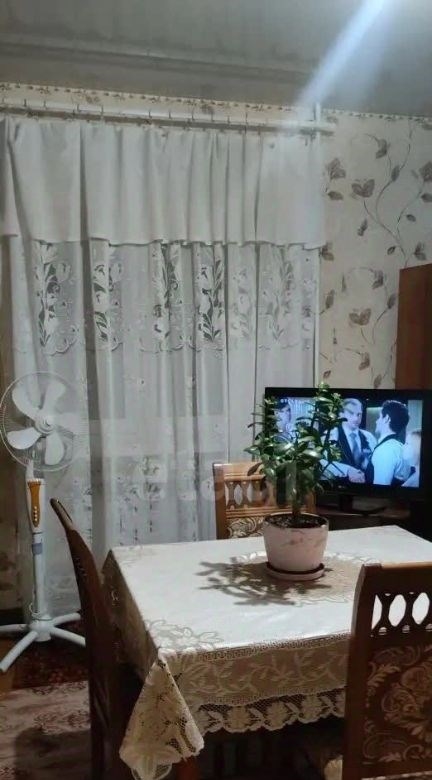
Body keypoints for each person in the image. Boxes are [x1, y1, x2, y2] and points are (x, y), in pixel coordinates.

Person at [325, 398, 376, 484]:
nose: (356, 418)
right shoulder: (330, 435)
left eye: (359, 414)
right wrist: (348, 470)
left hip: (366, 488)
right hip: (339, 487)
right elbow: (323, 462)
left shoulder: (369, 436)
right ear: (341, 414)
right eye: (351, 413)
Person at [365, 400, 411, 486]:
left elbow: (381, 489)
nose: (376, 421)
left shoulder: (386, 450)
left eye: (379, 417)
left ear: (386, 418)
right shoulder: (400, 446)